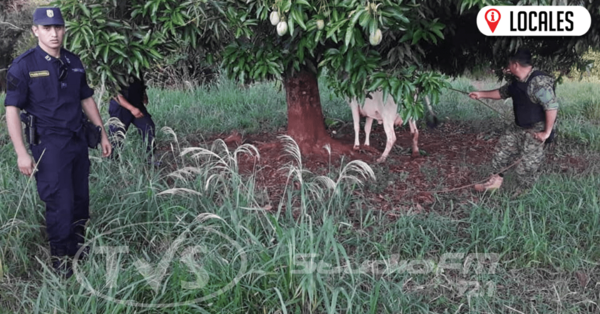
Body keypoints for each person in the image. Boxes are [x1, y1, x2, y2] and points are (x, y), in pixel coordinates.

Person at [4, 7, 111, 278]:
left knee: (80, 200)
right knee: (59, 202)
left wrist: (102, 133)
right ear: (35, 31)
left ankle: (77, 248)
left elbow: (86, 98)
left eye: (58, 27)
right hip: (49, 146)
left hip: (76, 141)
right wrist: (21, 153)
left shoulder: (73, 62)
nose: (54, 33)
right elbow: (12, 110)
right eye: (47, 28)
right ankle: (60, 258)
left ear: (64, 29)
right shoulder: (24, 65)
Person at [469, 48, 558, 196]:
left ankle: (523, 194)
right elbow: (502, 93)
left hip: (537, 129)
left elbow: (552, 107)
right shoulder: (517, 81)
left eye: (509, 64)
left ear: (515, 64)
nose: (507, 67)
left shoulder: (539, 82)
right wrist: (480, 94)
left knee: (527, 166)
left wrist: (546, 133)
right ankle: (493, 185)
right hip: (519, 126)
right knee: (501, 154)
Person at [108, 72, 158, 164]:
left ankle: (150, 157)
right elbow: (115, 94)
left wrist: (144, 95)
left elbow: (140, 82)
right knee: (117, 136)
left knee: (148, 127)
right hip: (120, 109)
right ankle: (112, 162)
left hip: (137, 105)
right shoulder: (114, 69)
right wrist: (131, 108)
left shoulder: (136, 66)